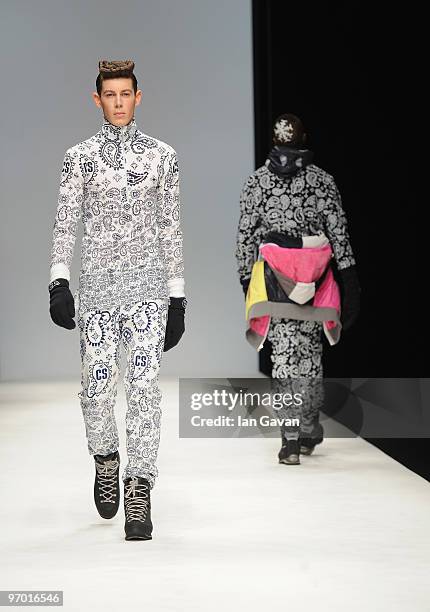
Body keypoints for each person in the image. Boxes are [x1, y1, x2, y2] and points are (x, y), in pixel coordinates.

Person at [48, 59, 187, 541]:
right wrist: (59, 280)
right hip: (99, 293)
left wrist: (177, 297)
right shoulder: (79, 157)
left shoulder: (162, 156)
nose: (119, 102)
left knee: (145, 392)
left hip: (148, 291)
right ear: (98, 100)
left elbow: (171, 227)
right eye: (111, 95)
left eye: (126, 94)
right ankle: (106, 459)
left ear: (138, 96)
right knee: (97, 393)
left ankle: (139, 489)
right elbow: (66, 220)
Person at [235, 113, 360, 465]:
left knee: (284, 359)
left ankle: (290, 438)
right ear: (305, 138)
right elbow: (338, 232)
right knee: (309, 358)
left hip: (276, 283)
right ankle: (305, 429)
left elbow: (245, 237)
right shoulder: (322, 182)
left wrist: (247, 280)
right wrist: (350, 279)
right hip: (315, 281)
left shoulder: (256, 183)